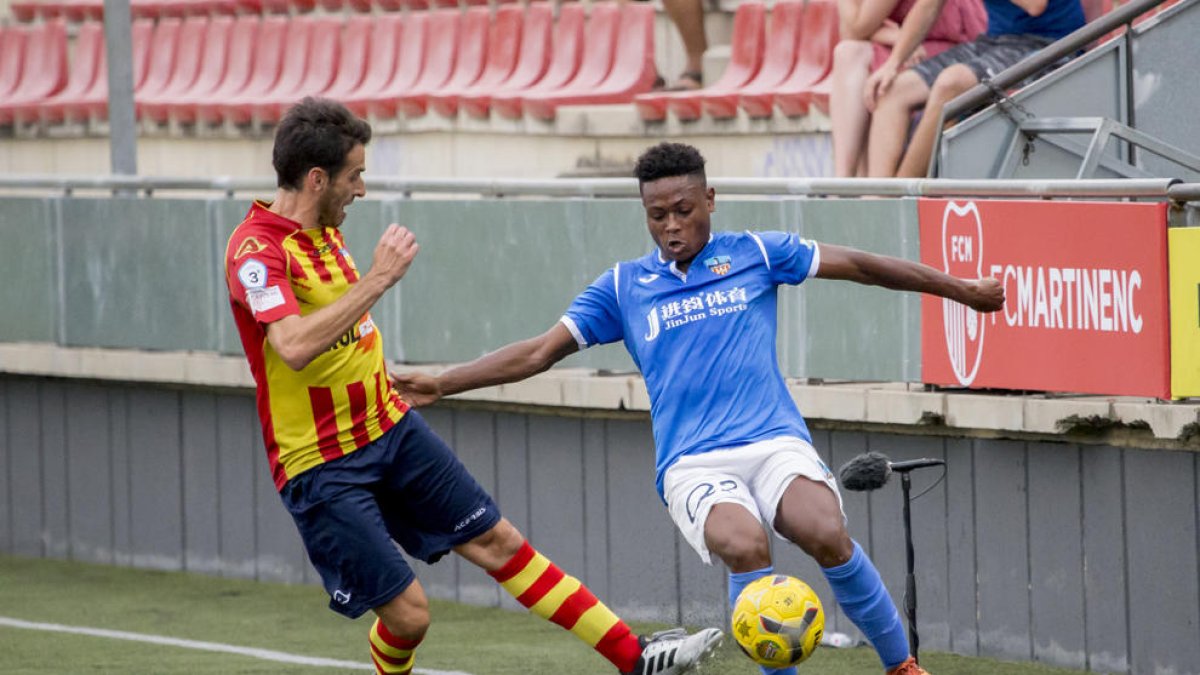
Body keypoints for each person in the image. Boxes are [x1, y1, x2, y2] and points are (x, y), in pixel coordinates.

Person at [392, 142, 1006, 675]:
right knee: (746, 545)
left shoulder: (759, 254)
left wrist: (962, 290)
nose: (670, 226)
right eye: (656, 215)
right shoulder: (622, 286)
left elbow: (864, 266)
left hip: (773, 441)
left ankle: (900, 663)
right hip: (693, 463)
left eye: (683, 210)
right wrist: (444, 383)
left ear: (710, 199)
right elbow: (538, 352)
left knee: (824, 532)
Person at [222, 99, 723, 675]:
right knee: (410, 617)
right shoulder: (255, 251)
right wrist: (381, 278)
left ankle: (635, 660)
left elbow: (336, 333)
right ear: (318, 179)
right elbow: (293, 345)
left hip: (389, 425)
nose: (361, 189)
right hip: (321, 463)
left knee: (501, 543)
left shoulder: (326, 231)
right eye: (354, 175)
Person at [864, 0, 1086, 177]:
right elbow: (927, 6)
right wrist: (893, 63)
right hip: (997, 41)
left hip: (1050, 45)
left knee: (952, 82)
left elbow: (1035, 5)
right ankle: (876, 205)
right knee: (893, 90)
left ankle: (901, 199)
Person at [830, 0, 986, 176]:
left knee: (881, 83)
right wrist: (895, 37)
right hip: (915, 44)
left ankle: (877, 191)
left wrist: (901, 42)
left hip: (958, 47)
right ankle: (844, 183)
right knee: (848, 53)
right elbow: (851, 30)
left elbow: (857, 27)